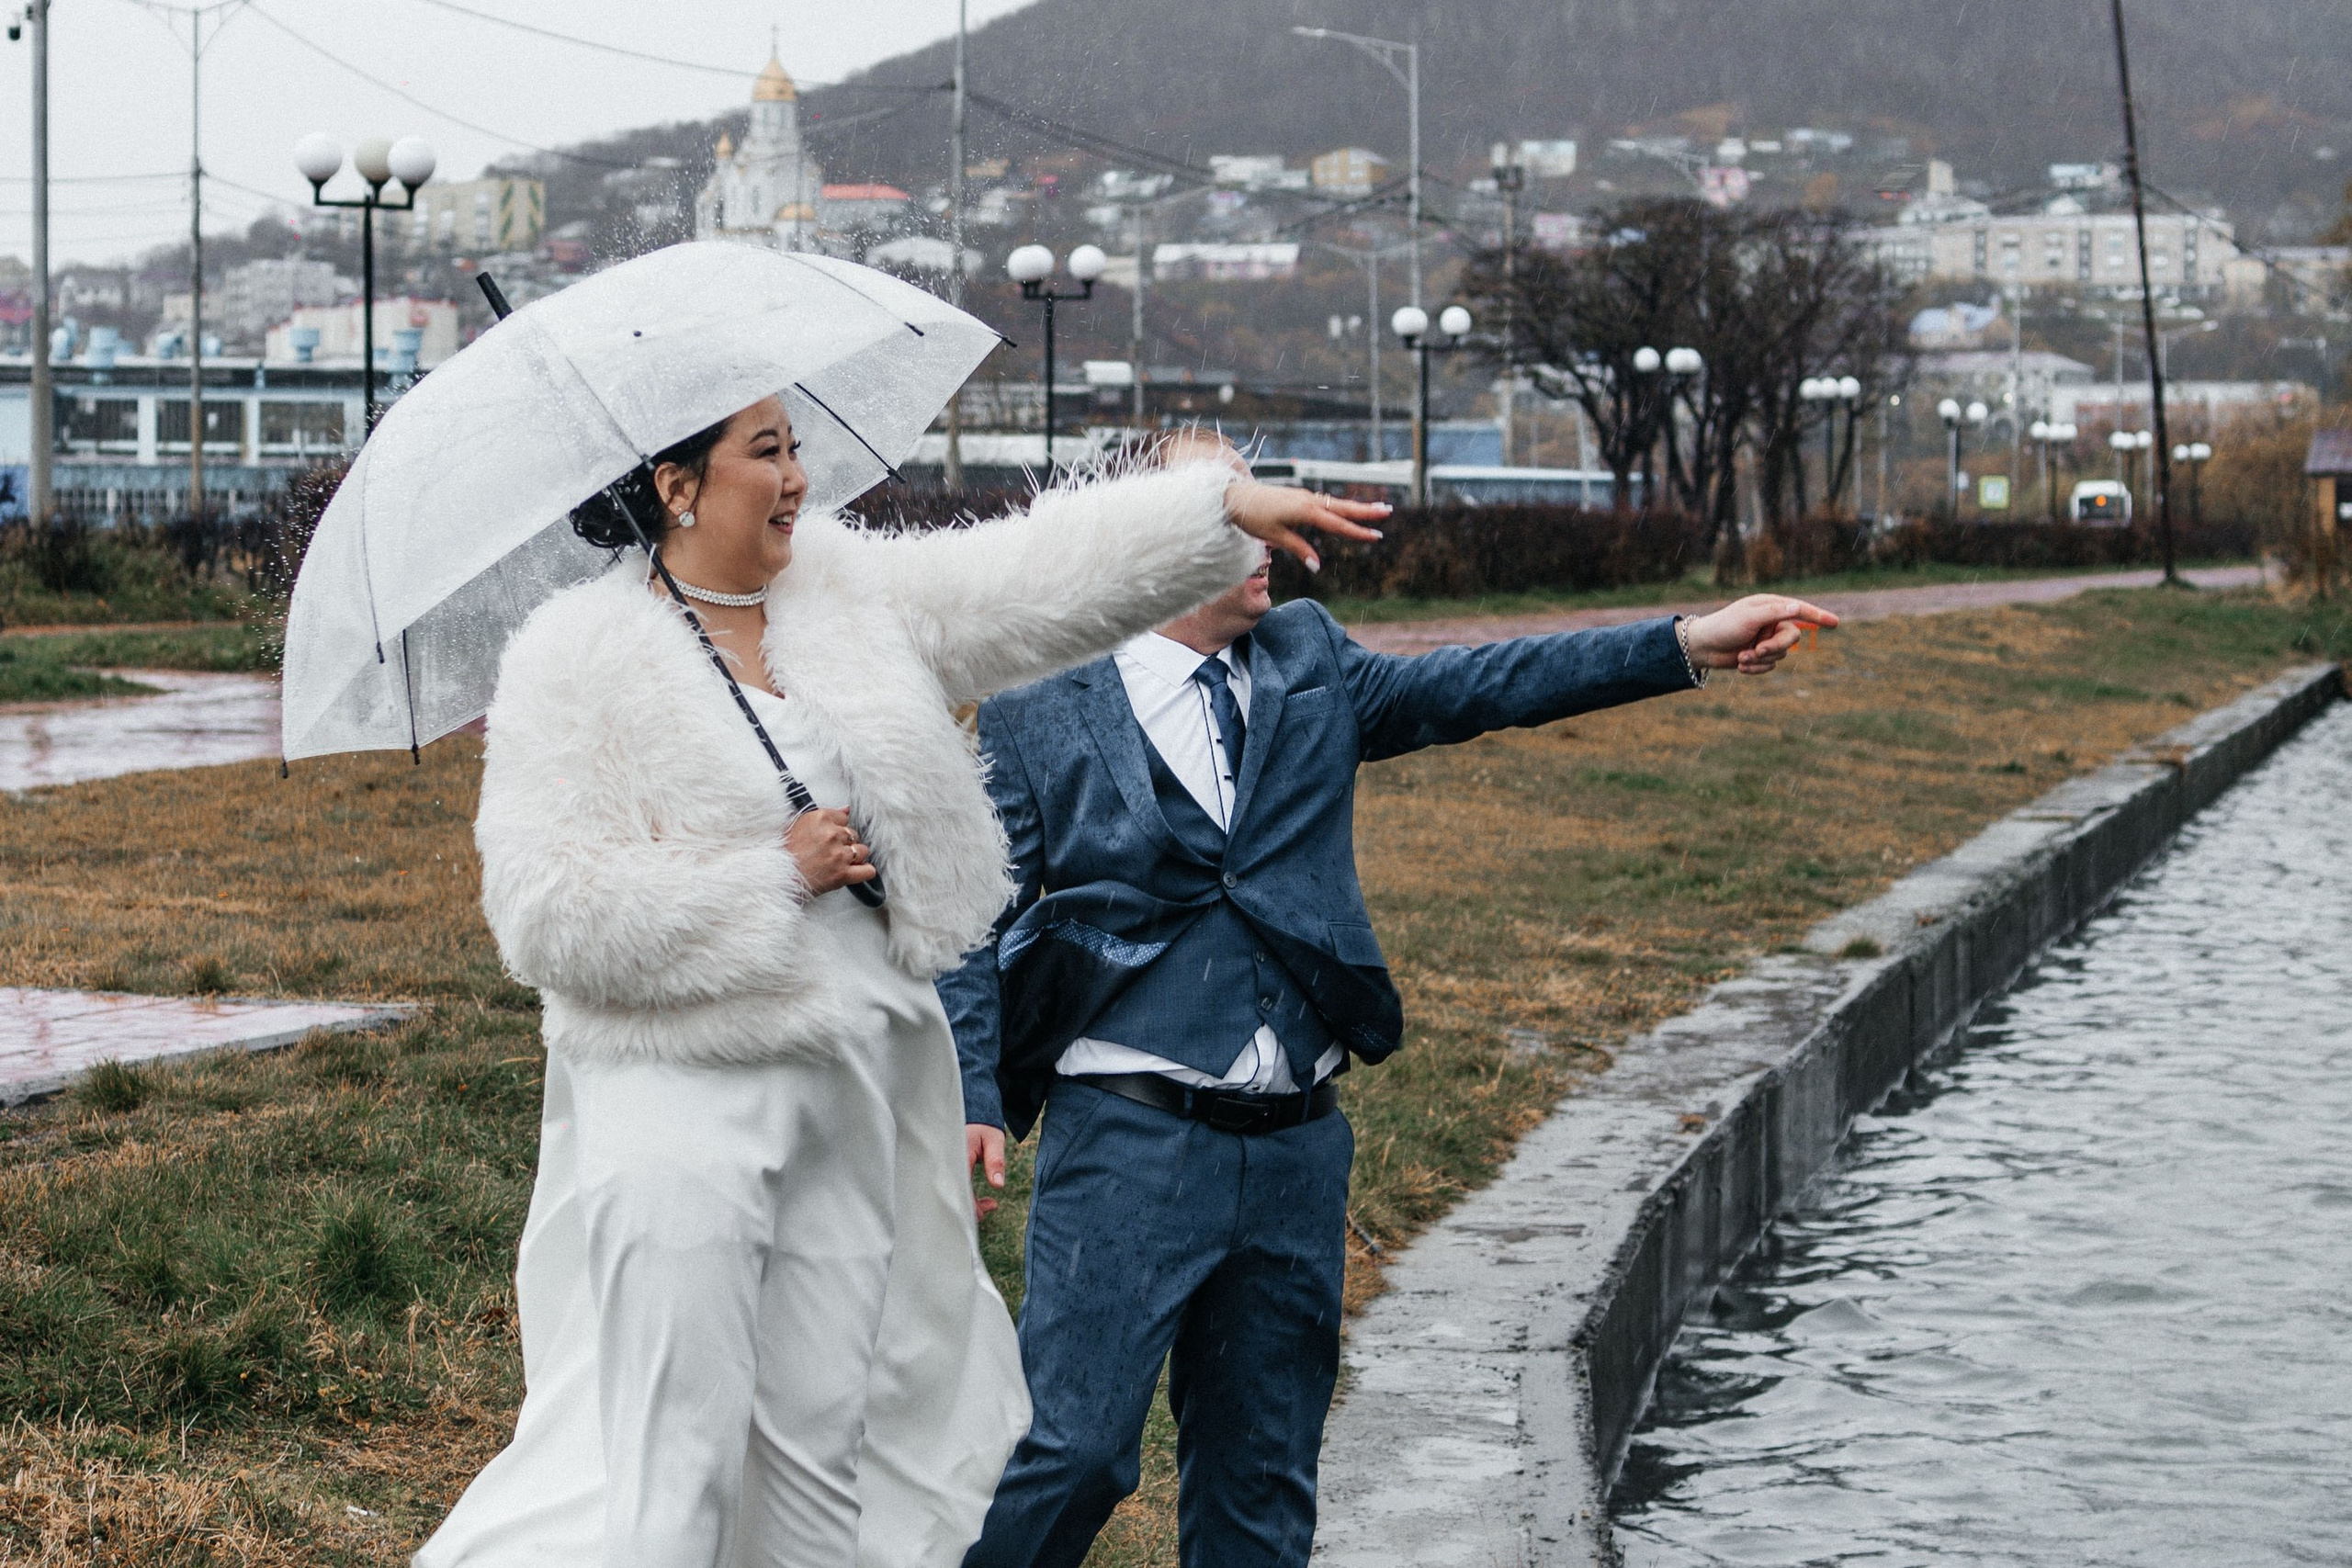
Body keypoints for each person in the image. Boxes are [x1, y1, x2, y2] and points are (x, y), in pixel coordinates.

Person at [421, 403, 1385, 1568]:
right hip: (681, 1099)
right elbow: (544, 912)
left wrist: (1214, 512)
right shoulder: (577, 655)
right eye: (765, 454)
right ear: (676, 484)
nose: (797, 476)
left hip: (856, 1083)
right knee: (681, 1462)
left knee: (826, 1459)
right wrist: (769, 877)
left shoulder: (840, 597)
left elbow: (1028, 581)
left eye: (794, 447)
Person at [941, 452, 1837, 1567]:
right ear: (1145, 541)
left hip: (1296, 1153)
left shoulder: (1308, 659)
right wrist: (971, 1089)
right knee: (1074, 1454)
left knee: (1261, 1485)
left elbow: (1483, 683)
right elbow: (965, 917)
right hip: (1126, 1140)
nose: (1269, 537)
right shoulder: (1040, 704)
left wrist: (1687, 643)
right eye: (1230, 516)